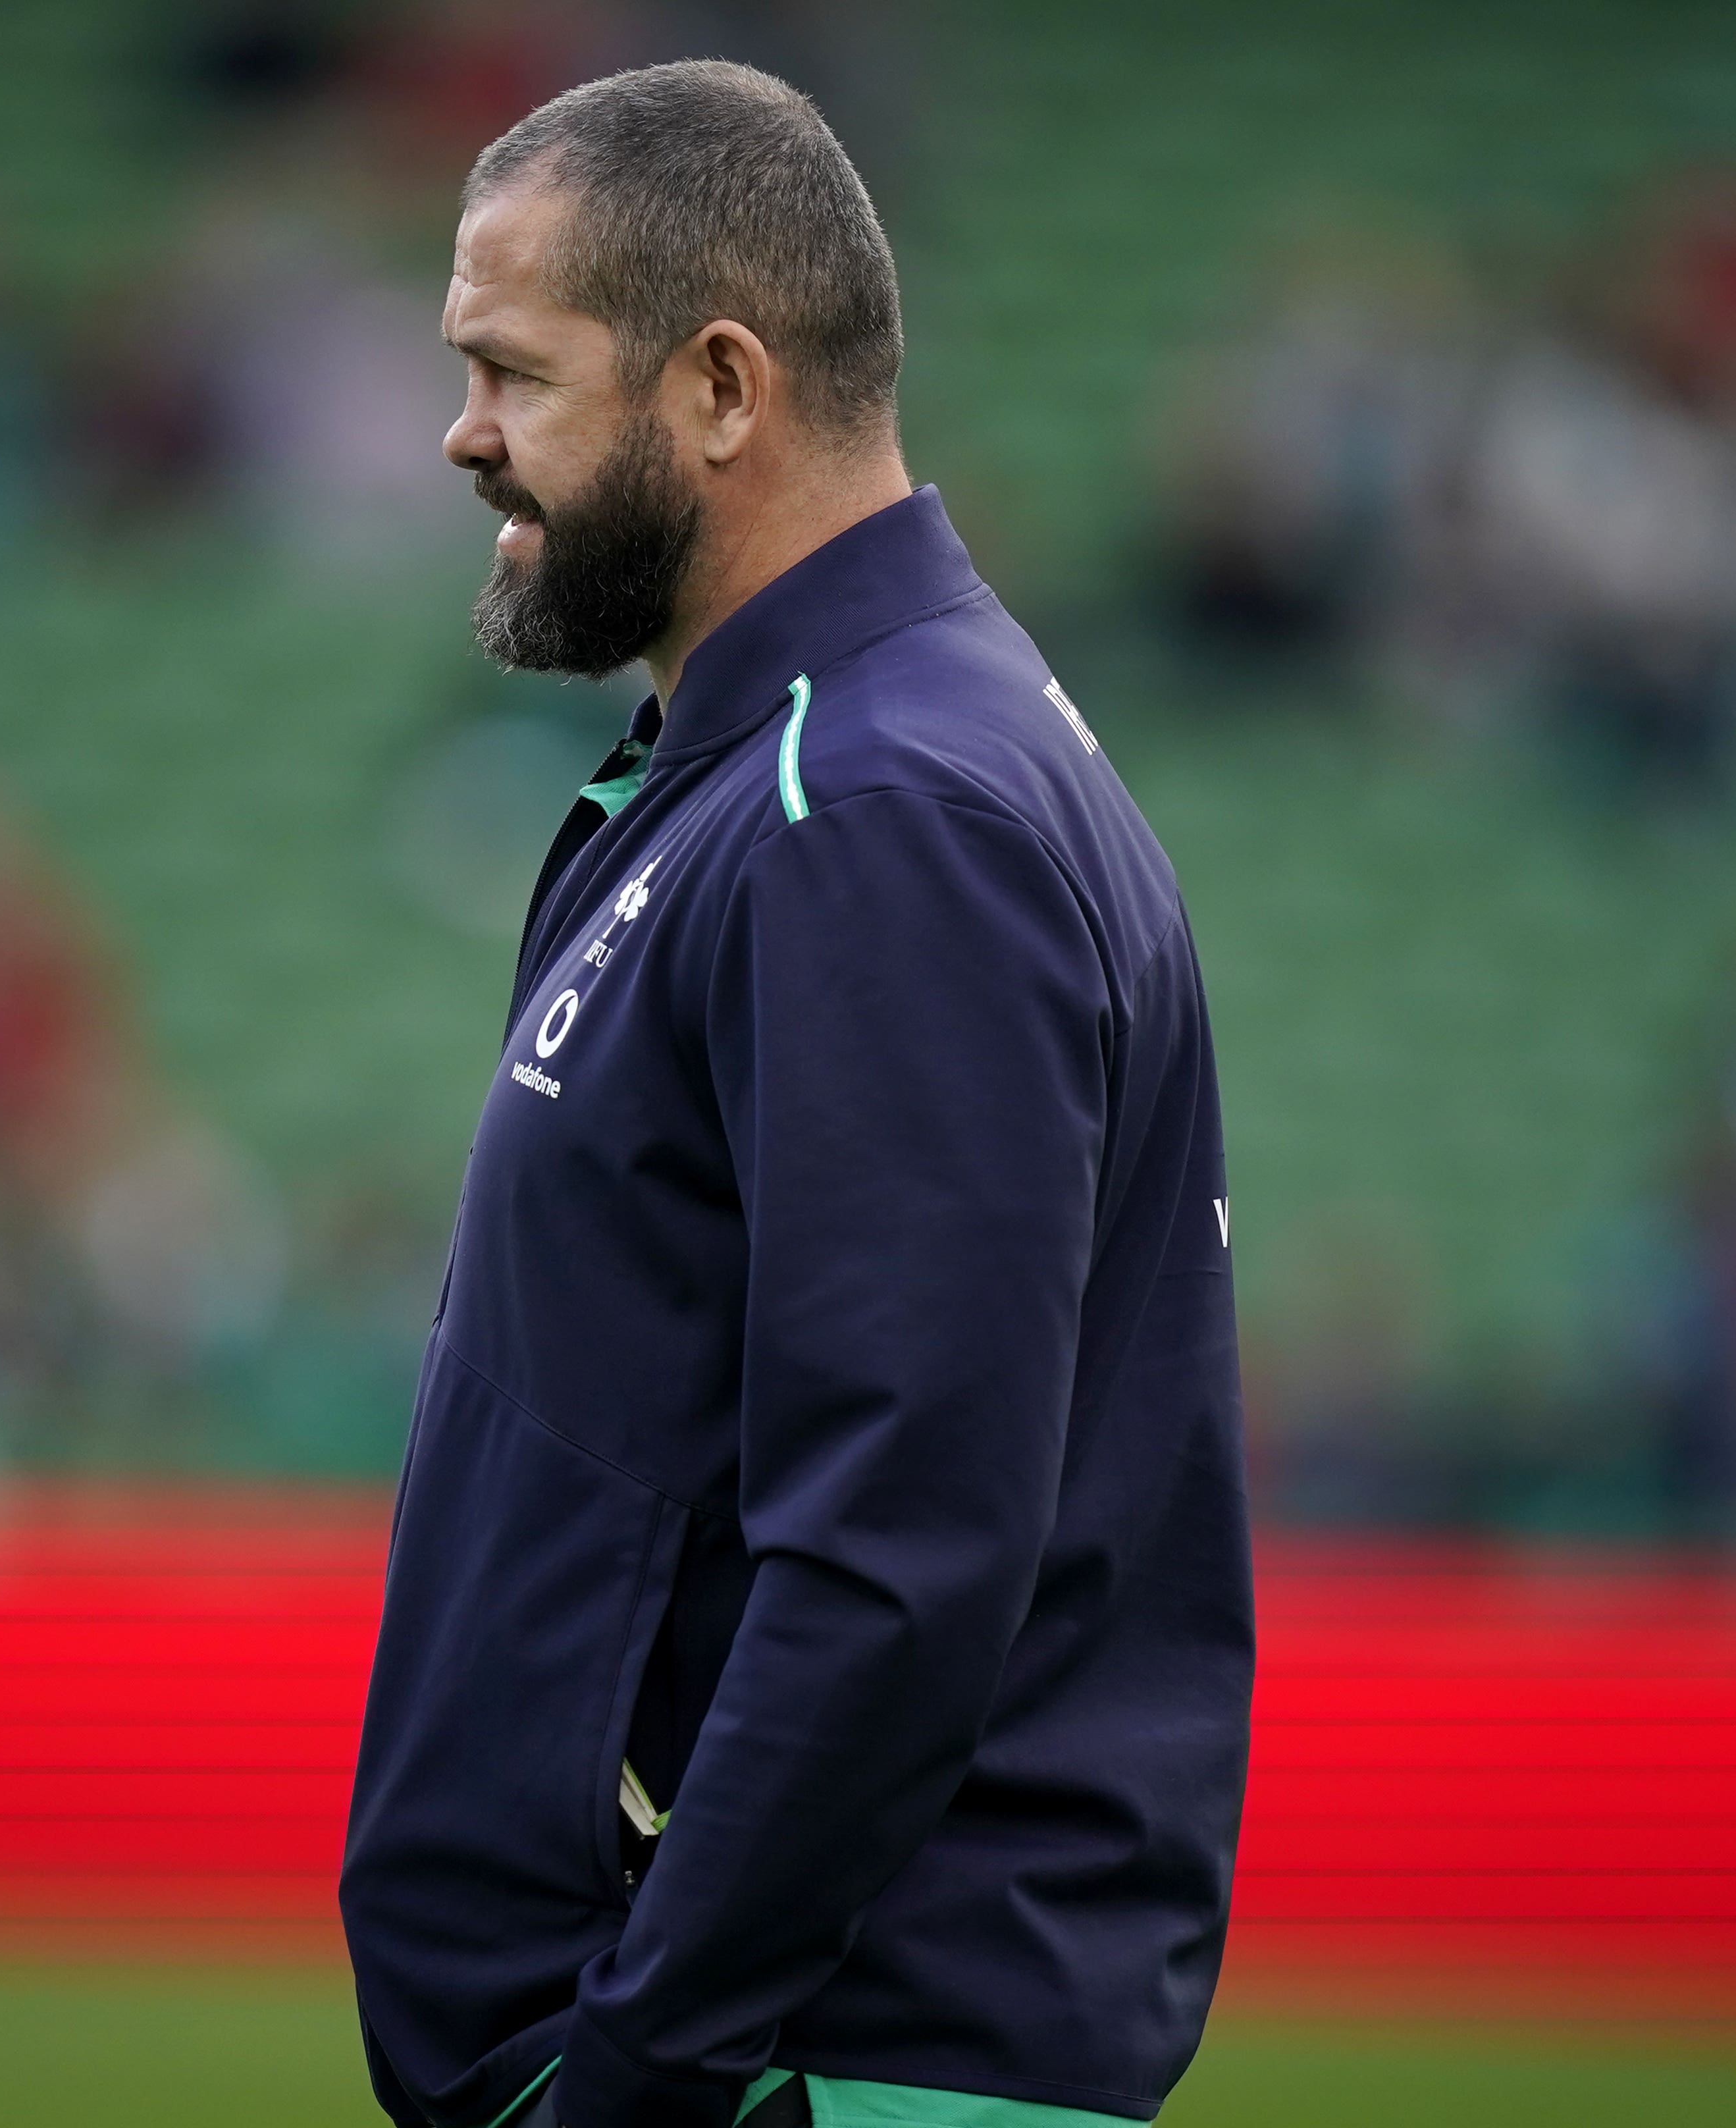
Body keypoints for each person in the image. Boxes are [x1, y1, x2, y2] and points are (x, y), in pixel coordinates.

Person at [340, 63, 1248, 2128]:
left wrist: (641, 2076)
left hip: (805, 2075)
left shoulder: (881, 813)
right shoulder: (792, 772)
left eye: (510, 371)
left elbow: (900, 1550)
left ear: (724, 388)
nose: (462, 434)